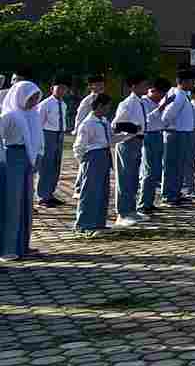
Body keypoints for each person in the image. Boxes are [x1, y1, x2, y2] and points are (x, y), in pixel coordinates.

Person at [73, 94, 131, 235]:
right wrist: (85, 162)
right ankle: (84, 225)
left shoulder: (104, 121)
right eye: (107, 106)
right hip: (93, 157)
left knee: (102, 191)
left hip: (104, 156)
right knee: (90, 191)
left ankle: (98, 223)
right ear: (99, 106)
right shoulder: (88, 124)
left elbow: (110, 139)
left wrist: (129, 135)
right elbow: (79, 147)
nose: (108, 109)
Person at [1, 81, 43, 260]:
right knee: (11, 203)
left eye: (35, 98)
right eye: (30, 98)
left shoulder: (32, 115)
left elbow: (38, 138)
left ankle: (22, 245)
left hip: (28, 159)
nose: (33, 102)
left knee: (25, 203)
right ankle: (7, 248)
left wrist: (37, 156)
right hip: (11, 160)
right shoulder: (9, 115)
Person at [110, 76, 150, 226]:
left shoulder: (140, 102)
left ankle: (131, 210)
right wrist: (134, 128)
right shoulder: (127, 103)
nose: (146, 87)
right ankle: (122, 213)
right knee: (125, 178)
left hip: (138, 142)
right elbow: (116, 125)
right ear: (133, 86)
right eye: (143, 84)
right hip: (127, 142)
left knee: (133, 178)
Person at [160, 70, 195, 207]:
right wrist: (168, 127)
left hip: (182, 133)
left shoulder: (183, 94)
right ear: (184, 82)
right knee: (172, 166)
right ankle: (169, 195)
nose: (193, 84)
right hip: (176, 134)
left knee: (179, 165)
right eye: (191, 81)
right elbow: (168, 115)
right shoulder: (178, 95)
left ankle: (175, 193)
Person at [36, 79, 71, 207]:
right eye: (59, 87)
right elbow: (39, 124)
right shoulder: (45, 104)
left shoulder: (63, 104)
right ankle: (42, 196)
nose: (62, 90)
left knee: (56, 165)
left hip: (59, 134)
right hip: (47, 134)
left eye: (64, 88)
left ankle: (50, 194)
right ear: (52, 89)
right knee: (46, 165)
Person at [138, 79, 167, 216]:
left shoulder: (156, 102)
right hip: (149, 135)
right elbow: (146, 119)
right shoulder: (144, 102)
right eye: (161, 94)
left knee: (155, 171)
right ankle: (143, 204)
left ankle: (149, 202)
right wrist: (161, 107)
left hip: (158, 134)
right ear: (153, 90)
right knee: (148, 171)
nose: (161, 97)